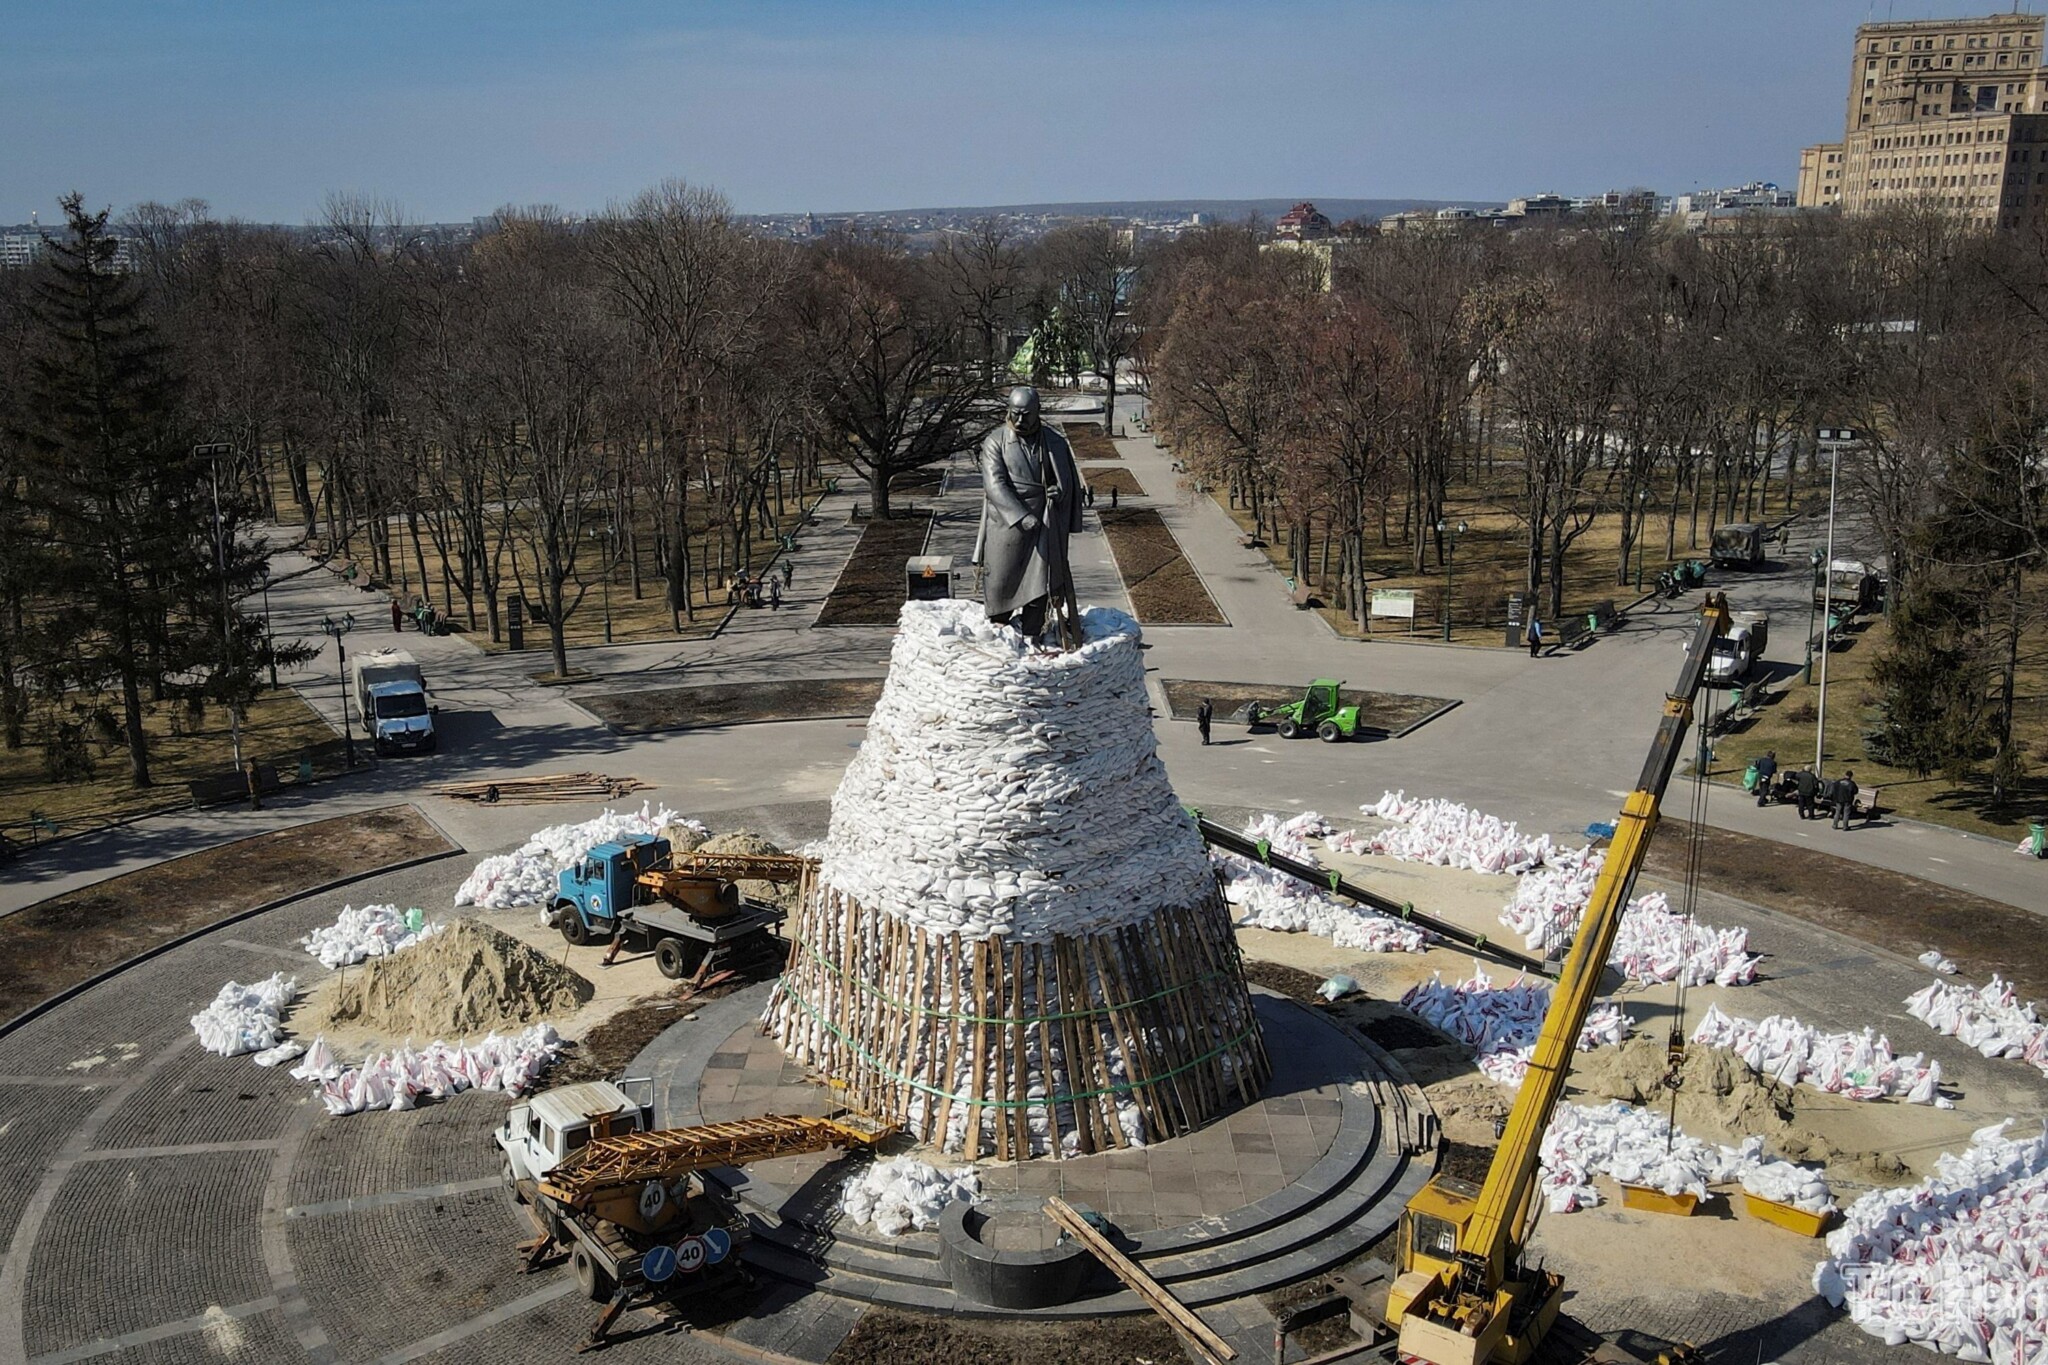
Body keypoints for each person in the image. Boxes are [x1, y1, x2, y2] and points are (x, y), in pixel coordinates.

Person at [972, 385, 1085, 643]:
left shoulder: (1054, 442)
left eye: (1027, 414)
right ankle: (999, 632)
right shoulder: (995, 442)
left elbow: (1066, 481)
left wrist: (1060, 491)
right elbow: (995, 485)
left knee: (1039, 583)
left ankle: (1033, 634)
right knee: (1001, 581)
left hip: (1044, 524)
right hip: (1007, 525)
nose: (1020, 420)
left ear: (1038, 412)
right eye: (1016, 413)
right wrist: (1022, 516)